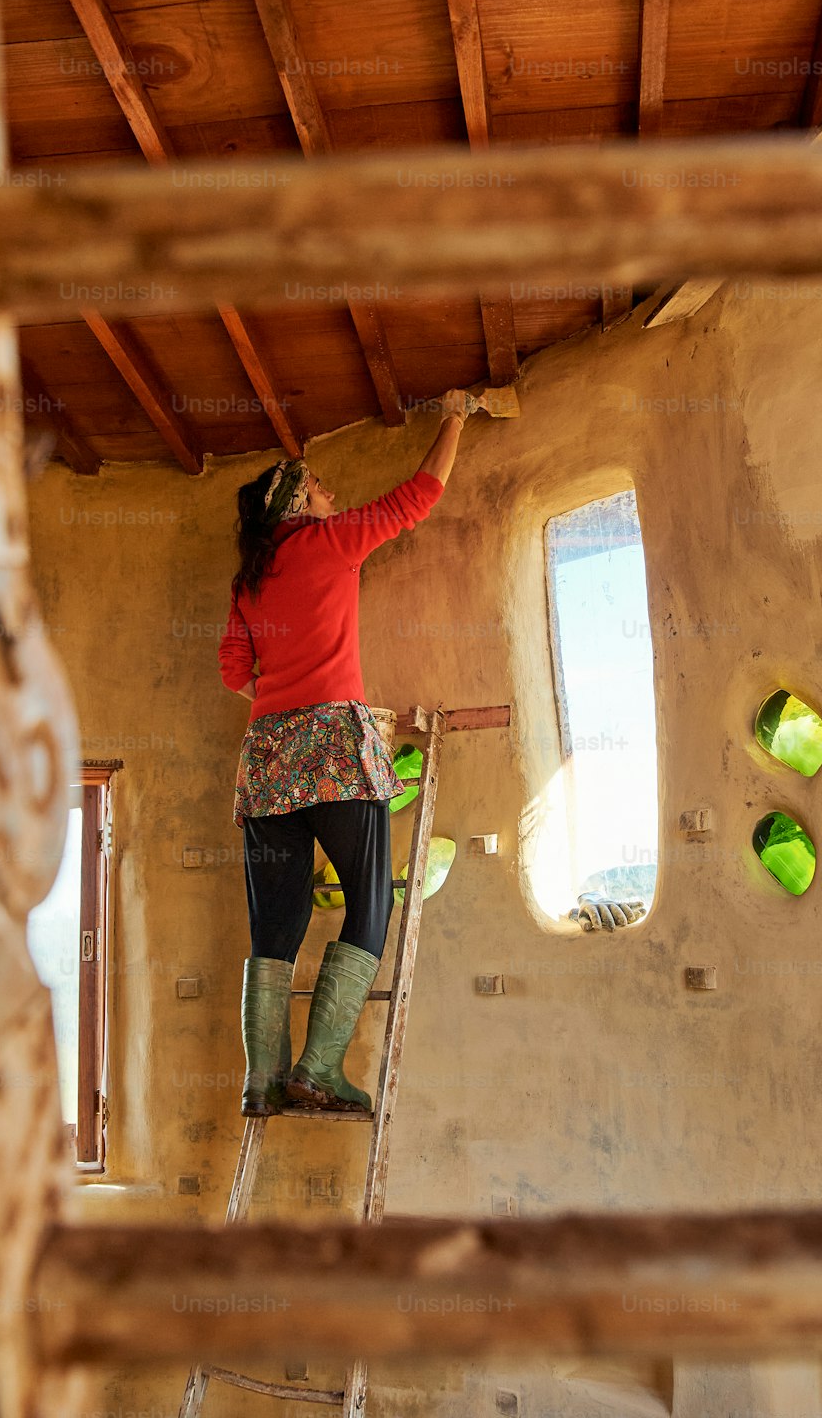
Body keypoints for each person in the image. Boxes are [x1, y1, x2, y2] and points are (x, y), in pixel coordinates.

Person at [218, 405, 467, 1116]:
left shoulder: (247, 582)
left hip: (267, 757)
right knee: (371, 900)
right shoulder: (332, 540)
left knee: (274, 924)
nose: (329, 493)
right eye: (319, 486)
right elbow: (419, 494)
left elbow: (234, 666)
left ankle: (262, 1080)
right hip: (333, 746)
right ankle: (318, 1069)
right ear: (299, 501)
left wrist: (280, 697)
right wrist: (454, 419)